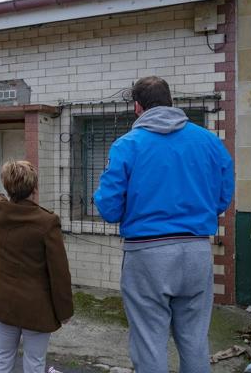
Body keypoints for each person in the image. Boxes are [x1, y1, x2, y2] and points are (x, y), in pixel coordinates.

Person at [94, 76, 234, 373]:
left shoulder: (127, 145)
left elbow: (108, 207)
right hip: (197, 251)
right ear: (172, 102)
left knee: (149, 342)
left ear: (137, 107)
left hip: (147, 255)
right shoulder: (208, 140)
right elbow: (222, 199)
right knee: (195, 341)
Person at [0, 159, 73, 373]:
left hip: (2, 301)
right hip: (36, 308)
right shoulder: (47, 221)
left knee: (3, 356)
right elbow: (59, 272)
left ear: (7, 187)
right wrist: (65, 310)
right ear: (35, 188)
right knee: (34, 362)